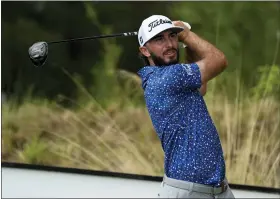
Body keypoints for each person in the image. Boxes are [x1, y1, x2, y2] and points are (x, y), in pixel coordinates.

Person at [137, 15, 235, 198]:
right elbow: (219, 60)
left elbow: (201, 87)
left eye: (172, 36)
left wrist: (185, 41)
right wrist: (186, 35)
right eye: (159, 39)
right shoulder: (167, 78)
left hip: (218, 190)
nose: (169, 44)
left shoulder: (173, 77)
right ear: (145, 50)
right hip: (187, 192)